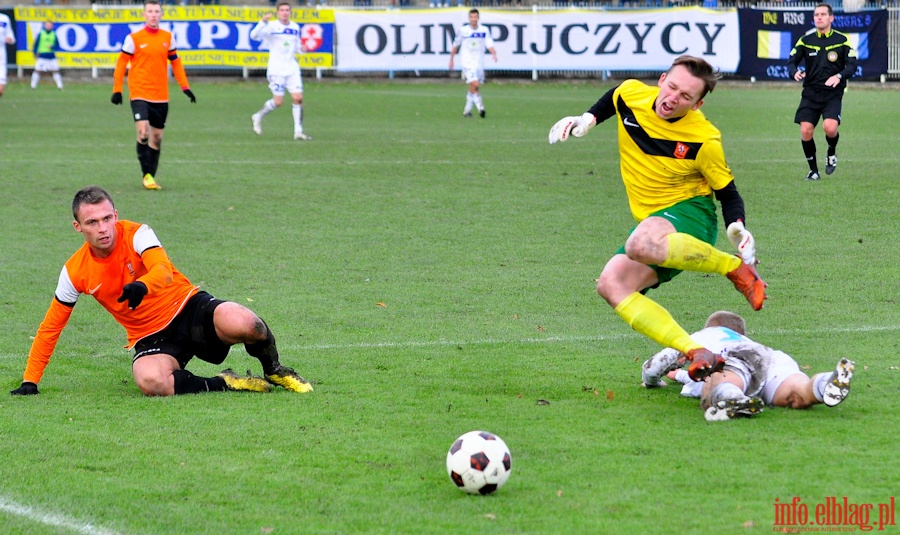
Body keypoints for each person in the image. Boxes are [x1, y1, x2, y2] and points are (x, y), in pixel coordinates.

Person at [548, 55, 768, 383]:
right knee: (612, 285)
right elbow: (615, 97)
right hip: (657, 225)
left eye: (685, 96)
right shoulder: (634, 94)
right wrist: (587, 120)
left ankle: (735, 268)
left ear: (697, 104)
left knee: (640, 242)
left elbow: (728, 192)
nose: (673, 98)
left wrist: (738, 227)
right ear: (662, 79)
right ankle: (695, 351)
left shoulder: (704, 139)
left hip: (691, 215)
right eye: (672, 87)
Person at [10, 186, 313, 397]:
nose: (103, 228)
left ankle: (273, 369)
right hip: (150, 336)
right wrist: (30, 380)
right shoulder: (74, 271)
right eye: (92, 222)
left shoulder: (139, 233)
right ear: (78, 227)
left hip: (187, 307)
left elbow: (162, 270)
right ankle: (226, 383)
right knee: (150, 382)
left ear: (115, 215)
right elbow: (51, 327)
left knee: (249, 324)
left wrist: (143, 285)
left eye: (107, 218)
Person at [641, 311, 855, 421]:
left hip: (736, 358)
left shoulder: (701, 337)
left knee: (719, 380)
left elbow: (655, 364)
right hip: (772, 358)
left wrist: (651, 381)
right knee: (798, 395)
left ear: (710, 327)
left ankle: (734, 398)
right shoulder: (745, 340)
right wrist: (680, 375)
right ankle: (825, 382)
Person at [111, 0, 196, 191]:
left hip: (161, 96)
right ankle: (146, 175)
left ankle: (150, 176)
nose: (153, 14)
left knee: (156, 138)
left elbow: (176, 63)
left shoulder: (168, 37)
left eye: (156, 11)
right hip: (139, 92)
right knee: (143, 133)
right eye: (149, 11)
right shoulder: (133, 38)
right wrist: (117, 90)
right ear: (144, 15)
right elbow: (121, 64)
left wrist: (185, 87)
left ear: (161, 14)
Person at [787, 3, 857, 181]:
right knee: (806, 131)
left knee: (830, 128)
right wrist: (794, 72)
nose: (819, 17)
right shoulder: (806, 40)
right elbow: (791, 60)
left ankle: (831, 153)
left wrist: (839, 76)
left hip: (832, 93)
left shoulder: (842, 40)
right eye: (816, 14)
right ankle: (813, 171)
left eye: (823, 14)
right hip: (810, 93)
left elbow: (852, 65)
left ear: (831, 18)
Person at [250, 2, 311, 141]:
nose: (285, 12)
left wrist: (302, 49)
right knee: (278, 102)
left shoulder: (295, 27)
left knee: (298, 98)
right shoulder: (271, 27)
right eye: (282, 10)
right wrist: (262, 22)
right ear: (278, 12)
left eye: (287, 10)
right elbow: (253, 36)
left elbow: (296, 46)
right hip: (276, 69)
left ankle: (298, 131)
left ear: (290, 12)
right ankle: (258, 116)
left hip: (292, 68)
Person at [448, 9, 497, 119]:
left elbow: (489, 43)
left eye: (476, 17)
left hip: (479, 63)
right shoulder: (463, 30)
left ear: (478, 18)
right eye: (472, 17)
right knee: (475, 84)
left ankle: (467, 111)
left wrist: (493, 53)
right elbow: (456, 45)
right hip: (467, 62)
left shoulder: (484, 30)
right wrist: (451, 59)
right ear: (469, 18)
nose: (474, 19)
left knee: (473, 87)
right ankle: (481, 108)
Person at [31, 20, 64, 90]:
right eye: (47, 25)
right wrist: (34, 53)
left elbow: (57, 45)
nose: (48, 26)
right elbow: (36, 44)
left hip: (51, 56)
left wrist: (52, 47)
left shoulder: (54, 34)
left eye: (50, 25)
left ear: (52, 26)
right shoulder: (41, 34)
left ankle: (60, 86)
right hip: (42, 55)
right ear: (44, 25)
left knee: (56, 70)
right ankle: (33, 86)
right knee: (37, 70)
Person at [0, 11, 17, 100]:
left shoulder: (4, 19)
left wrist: (10, 39)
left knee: (1, 91)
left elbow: (10, 35)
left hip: (1, 54)